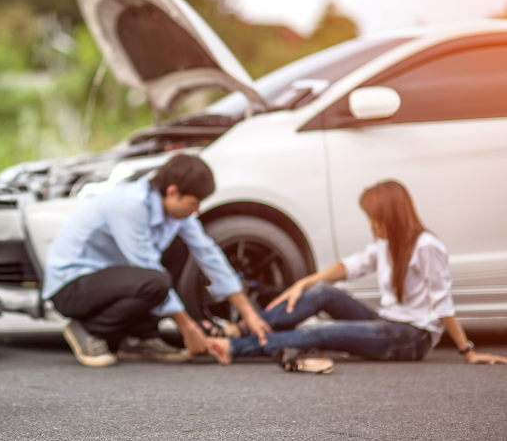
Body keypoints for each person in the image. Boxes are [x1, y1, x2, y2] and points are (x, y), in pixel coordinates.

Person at [207, 180, 507, 370]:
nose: (373, 226)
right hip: (387, 323)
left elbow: (443, 305)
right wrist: (304, 283)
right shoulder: (387, 244)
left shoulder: (427, 247)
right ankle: (241, 330)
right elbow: (350, 267)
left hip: (412, 337)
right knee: (323, 293)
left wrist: (468, 351)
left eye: (377, 220)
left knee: (320, 333)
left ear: (395, 217)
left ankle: (233, 346)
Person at [43, 154, 272, 367]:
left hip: (108, 278)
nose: (198, 210)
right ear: (173, 192)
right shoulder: (129, 205)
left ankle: (139, 338)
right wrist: (188, 328)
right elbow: (146, 267)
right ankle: (88, 330)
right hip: (71, 285)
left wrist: (249, 314)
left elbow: (208, 253)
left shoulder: (175, 214)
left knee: (179, 248)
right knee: (156, 280)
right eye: (194, 203)